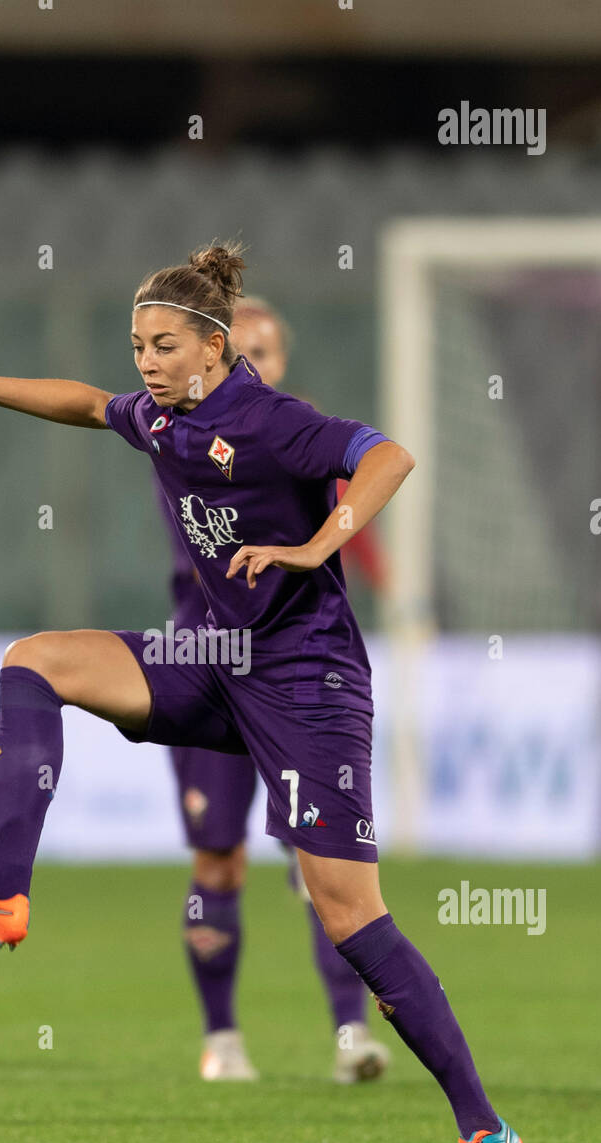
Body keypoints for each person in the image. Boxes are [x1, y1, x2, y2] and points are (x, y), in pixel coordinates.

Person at [0, 241, 525, 1143]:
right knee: (35, 662)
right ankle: (3, 893)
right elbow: (81, 402)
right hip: (213, 665)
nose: (144, 362)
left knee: (353, 919)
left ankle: (485, 1129)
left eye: (162, 345)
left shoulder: (272, 423)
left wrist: (317, 544)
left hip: (308, 685)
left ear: (214, 348)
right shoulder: (158, 417)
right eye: (136, 344)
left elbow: (388, 456)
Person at [155, 294, 390, 1083]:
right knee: (218, 858)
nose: (252, 362)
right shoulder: (177, 426)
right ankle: (221, 1040)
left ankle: (350, 1036)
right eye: (239, 346)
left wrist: (341, 550)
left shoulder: (289, 428)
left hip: (294, 663)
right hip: (209, 653)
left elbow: (374, 474)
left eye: (268, 350)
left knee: (316, 862)